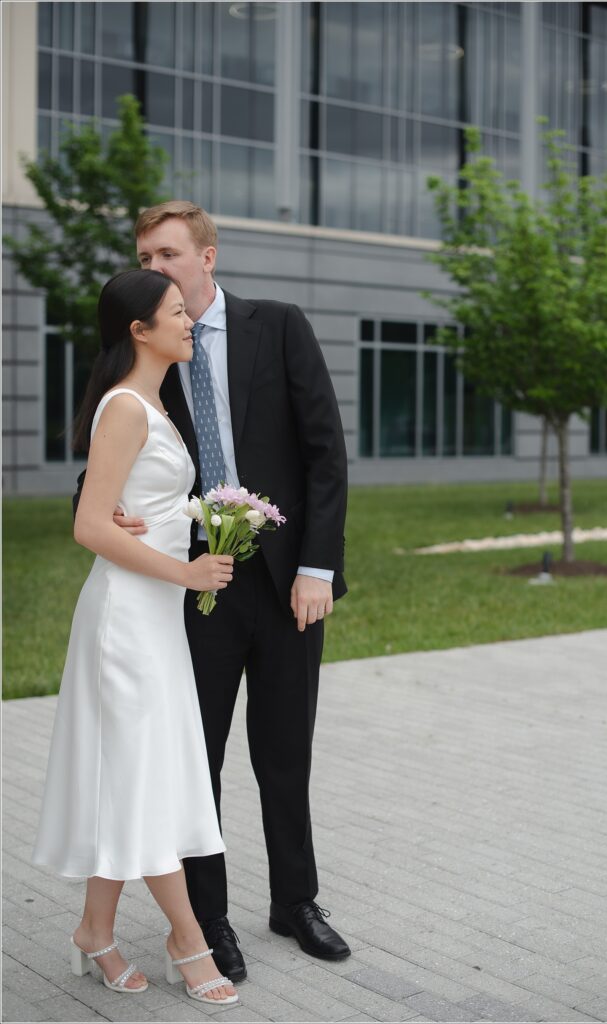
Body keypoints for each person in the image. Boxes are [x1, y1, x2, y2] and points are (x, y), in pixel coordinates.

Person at [74, 200, 350, 980]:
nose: (153, 268)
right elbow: (100, 467)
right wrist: (102, 515)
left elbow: (325, 453)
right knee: (197, 762)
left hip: (288, 582)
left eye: (166, 255)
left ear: (207, 257)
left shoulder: (279, 324)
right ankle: (208, 923)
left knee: (285, 751)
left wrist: (316, 568)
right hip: (188, 592)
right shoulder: (147, 355)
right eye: (145, 256)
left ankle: (296, 902)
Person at [33, 270, 239, 1007]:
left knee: (131, 774)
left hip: (153, 615)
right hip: (127, 621)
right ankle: (189, 938)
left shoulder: (152, 401)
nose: (191, 322)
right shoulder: (127, 406)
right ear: (139, 332)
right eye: (177, 313)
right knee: (145, 776)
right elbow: (90, 525)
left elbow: (126, 502)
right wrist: (186, 574)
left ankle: (95, 930)